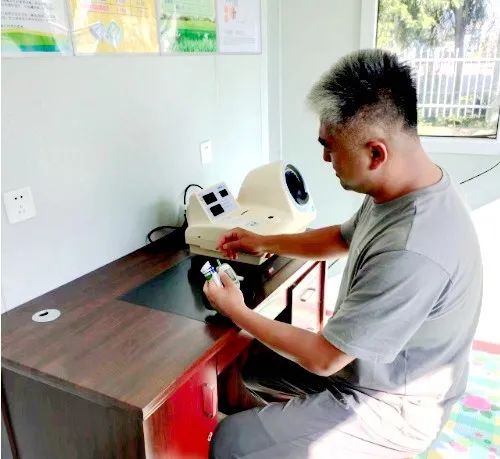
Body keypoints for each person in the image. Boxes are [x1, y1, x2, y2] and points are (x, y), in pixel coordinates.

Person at [203, 49, 483, 458]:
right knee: (251, 365)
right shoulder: (401, 188)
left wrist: (237, 310)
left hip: (393, 408)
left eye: (330, 146)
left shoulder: (413, 246)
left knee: (231, 441)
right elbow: (341, 237)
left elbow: (324, 359)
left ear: (375, 153)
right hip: (365, 366)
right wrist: (264, 241)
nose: (325, 158)